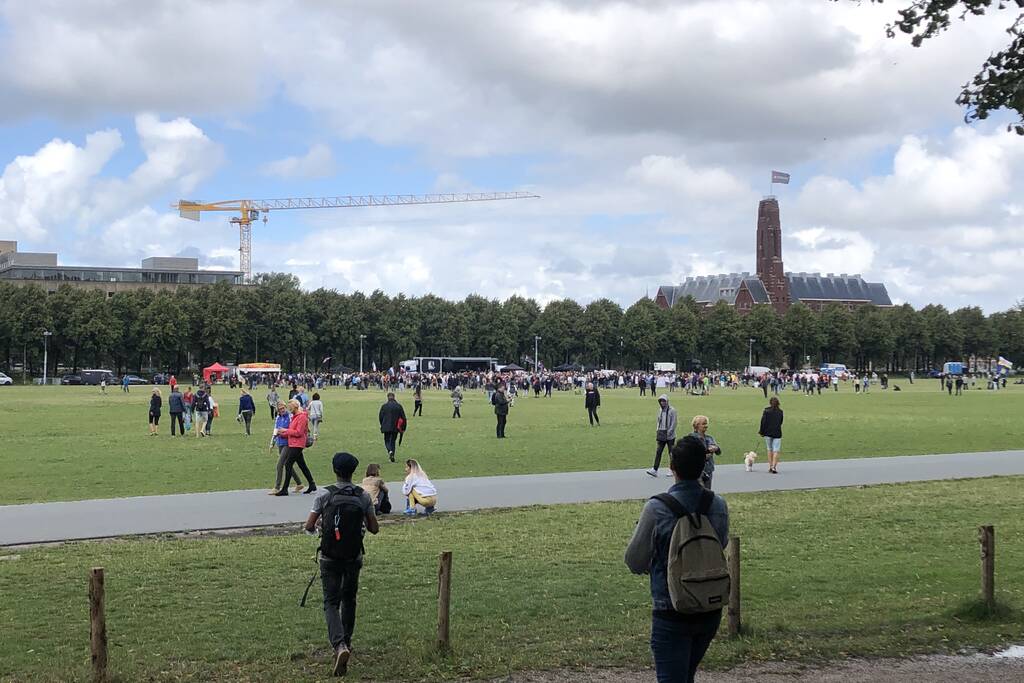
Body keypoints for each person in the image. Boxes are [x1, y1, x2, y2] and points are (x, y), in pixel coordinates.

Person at [625, 435, 730, 683]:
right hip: (709, 605)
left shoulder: (657, 508)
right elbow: (720, 544)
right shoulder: (717, 504)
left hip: (671, 608)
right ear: (703, 466)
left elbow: (634, 560)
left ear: (672, 468)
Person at [304, 452, 379, 677]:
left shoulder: (325, 495)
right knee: (349, 599)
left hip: (329, 556)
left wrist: (318, 527)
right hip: (353, 556)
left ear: (334, 470)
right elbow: (374, 528)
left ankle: (339, 646)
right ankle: (347, 641)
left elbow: (309, 525)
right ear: (353, 472)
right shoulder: (363, 496)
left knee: (330, 602)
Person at [275, 399, 316, 496]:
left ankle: (285, 489)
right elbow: (292, 431)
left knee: (288, 464)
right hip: (293, 443)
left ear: (295, 407)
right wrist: (282, 433)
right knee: (302, 465)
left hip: (297, 444)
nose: (289, 410)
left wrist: (285, 430)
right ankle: (312, 483)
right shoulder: (295, 417)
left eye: (290, 408)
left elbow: (299, 432)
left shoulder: (301, 417)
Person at [269, 402, 305, 495]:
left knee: (279, 464)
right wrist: (272, 443)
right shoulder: (278, 418)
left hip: (288, 443)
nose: (282, 410)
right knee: (287, 464)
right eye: (280, 409)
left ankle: (277, 487)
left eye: (283, 408)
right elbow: (275, 431)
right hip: (280, 443)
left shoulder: (290, 417)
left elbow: (291, 430)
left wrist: (283, 433)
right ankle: (299, 483)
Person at [647, 395, 677, 477]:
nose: (662, 402)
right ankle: (655, 469)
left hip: (670, 435)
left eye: (664, 401)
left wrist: (669, 432)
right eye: (661, 401)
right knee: (658, 451)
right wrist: (658, 429)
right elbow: (658, 420)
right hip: (661, 433)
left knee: (671, 453)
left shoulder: (672, 410)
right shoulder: (660, 410)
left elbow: (674, 423)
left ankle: (672, 469)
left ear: (667, 401)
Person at [690, 415, 720, 489]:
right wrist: (706, 454)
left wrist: (716, 448)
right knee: (698, 491)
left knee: (707, 491)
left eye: (706, 424)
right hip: (697, 470)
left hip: (708, 469)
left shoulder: (709, 438)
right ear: (697, 425)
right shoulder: (692, 438)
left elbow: (719, 452)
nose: (706, 426)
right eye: (703, 424)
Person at [378, 392, 406, 463]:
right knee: (393, 441)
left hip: (386, 426)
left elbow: (380, 417)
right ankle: (392, 454)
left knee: (386, 440)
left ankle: (390, 451)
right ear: (394, 397)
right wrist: (403, 428)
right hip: (395, 426)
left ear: (388, 397)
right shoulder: (399, 406)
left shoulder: (384, 406)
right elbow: (403, 418)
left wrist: (382, 424)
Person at [759, 396, 784, 474]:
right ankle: (774, 466)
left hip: (768, 432)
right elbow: (781, 422)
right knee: (776, 450)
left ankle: (770, 466)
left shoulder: (766, 411)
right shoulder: (780, 412)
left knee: (769, 449)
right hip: (777, 432)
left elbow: (763, 422)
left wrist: (761, 432)